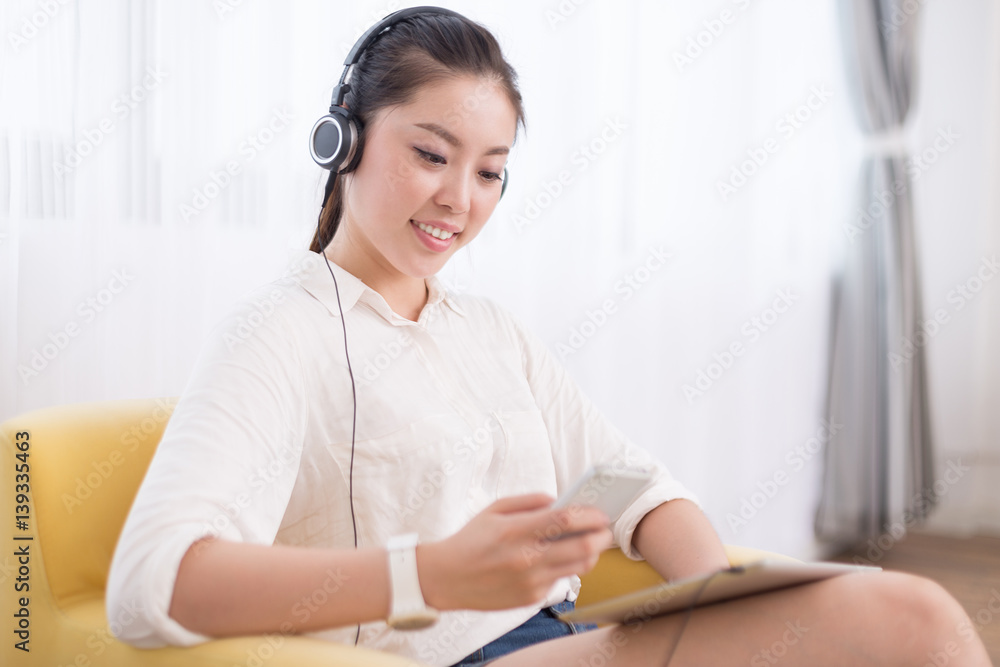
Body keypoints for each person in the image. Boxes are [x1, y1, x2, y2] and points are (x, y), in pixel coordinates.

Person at [106, 7, 992, 667]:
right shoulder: (278, 332)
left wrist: (715, 599)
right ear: (346, 138)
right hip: (454, 657)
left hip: (563, 637)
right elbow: (152, 585)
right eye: (430, 153)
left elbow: (644, 493)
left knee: (895, 617)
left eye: (490, 171)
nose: (461, 198)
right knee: (907, 619)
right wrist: (432, 574)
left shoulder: (489, 331)